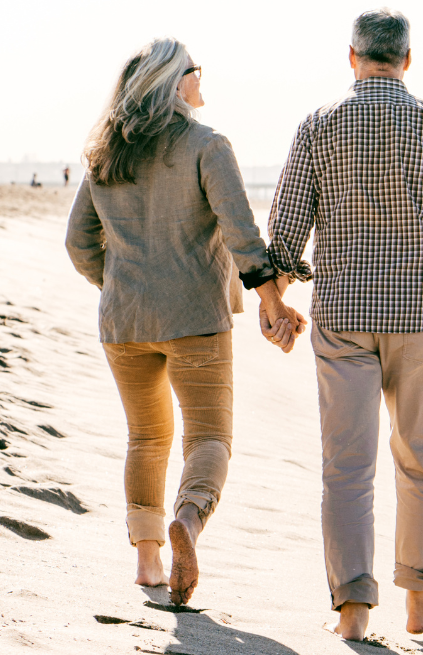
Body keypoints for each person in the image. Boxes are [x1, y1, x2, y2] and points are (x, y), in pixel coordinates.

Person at [266, 8, 423, 641]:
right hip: (421, 317)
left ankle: (352, 612)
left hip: (343, 316)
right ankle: (421, 605)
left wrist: (275, 302)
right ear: (407, 59)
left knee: (346, 466)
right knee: (420, 457)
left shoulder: (319, 126)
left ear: (352, 57)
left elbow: (286, 234)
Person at [65, 37, 302, 607]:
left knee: (146, 436)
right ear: (176, 84)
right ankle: (188, 521)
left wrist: (118, 283)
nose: (202, 78)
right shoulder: (207, 145)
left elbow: (78, 243)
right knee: (209, 437)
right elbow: (244, 238)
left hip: (124, 322)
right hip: (195, 316)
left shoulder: (105, 151)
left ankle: (148, 561)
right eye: (195, 70)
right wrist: (272, 302)